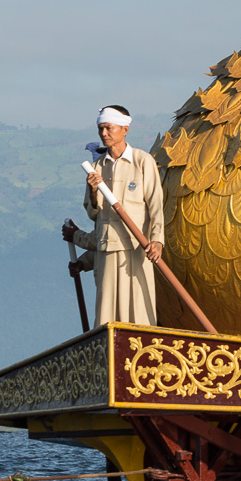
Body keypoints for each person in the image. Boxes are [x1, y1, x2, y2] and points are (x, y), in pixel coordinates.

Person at [61, 105, 165, 326]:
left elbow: (155, 204)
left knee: (138, 310)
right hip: (107, 249)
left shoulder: (142, 161)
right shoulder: (96, 166)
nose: (104, 133)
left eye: (109, 128)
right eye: (101, 129)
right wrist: (93, 190)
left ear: (124, 129)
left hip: (136, 248)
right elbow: (93, 214)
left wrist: (156, 240)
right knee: (107, 314)